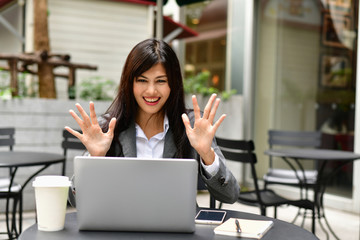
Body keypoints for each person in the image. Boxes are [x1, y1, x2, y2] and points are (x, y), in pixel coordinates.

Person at [65, 38, 239, 204]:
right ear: (129, 83)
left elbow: (230, 195)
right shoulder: (108, 128)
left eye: (161, 81)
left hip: (178, 229)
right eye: (142, 80)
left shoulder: (192, 125)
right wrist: (95, 159)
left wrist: (207, 154)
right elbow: (75, 201)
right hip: (121, 227)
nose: (151, 91)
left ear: (173, 84)